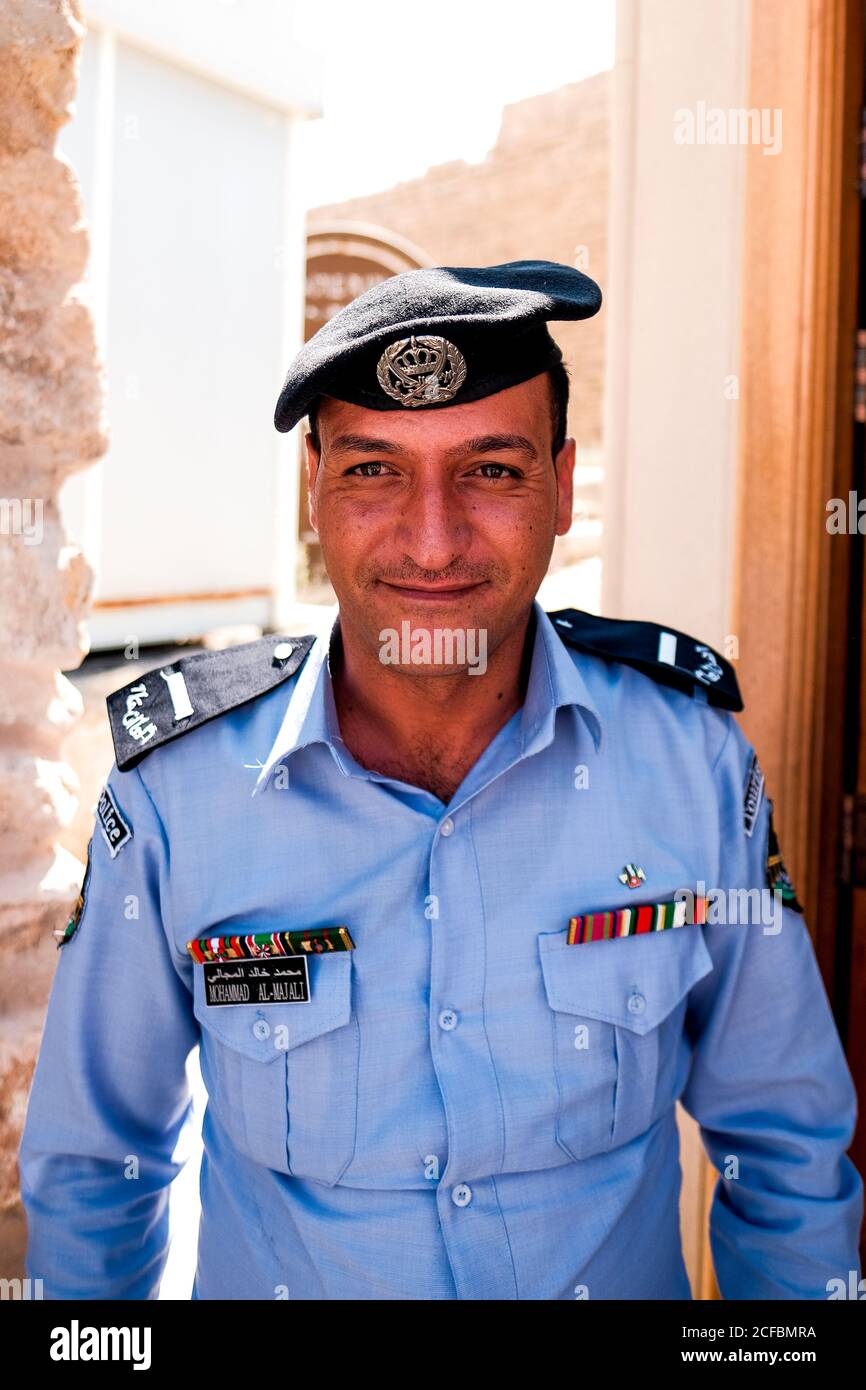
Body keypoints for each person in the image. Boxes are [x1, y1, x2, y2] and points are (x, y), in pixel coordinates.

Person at [18, 261, 863, 1300]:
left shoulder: (686, 765)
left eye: (490, 471)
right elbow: (98, 1168)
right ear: (313, 486)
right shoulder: (176, 798)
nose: (431, 540)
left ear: (558, 484)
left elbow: (782, 1150)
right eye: (375, 469)